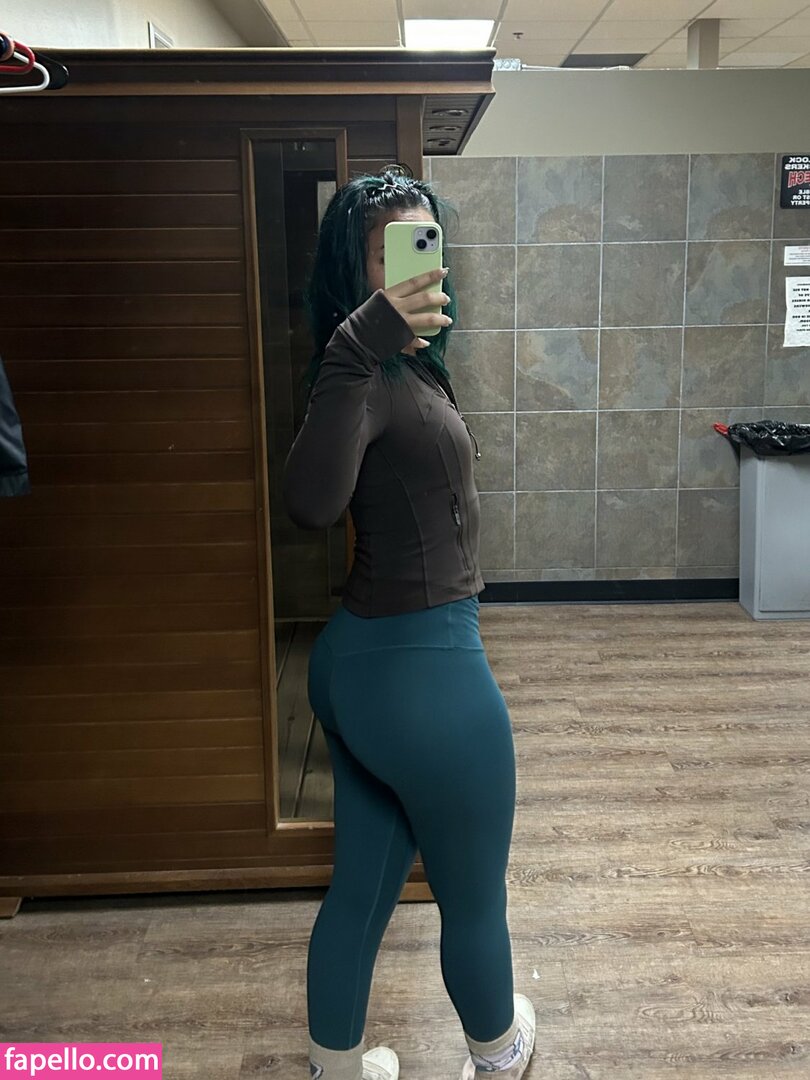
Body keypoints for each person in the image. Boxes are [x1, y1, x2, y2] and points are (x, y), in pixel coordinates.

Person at [282, 166, 536, 1080]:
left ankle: (336, 1066)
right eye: (389, 251)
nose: (415, 269)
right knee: (473, 900)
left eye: (425, 243)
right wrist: (358, 341)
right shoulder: (358, 371)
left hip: (369, 669)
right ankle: (499, 1053)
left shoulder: (403, 368)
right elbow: (311, 503)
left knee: (363, 887)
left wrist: (374, 346)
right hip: (422, 679)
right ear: (354, 271)